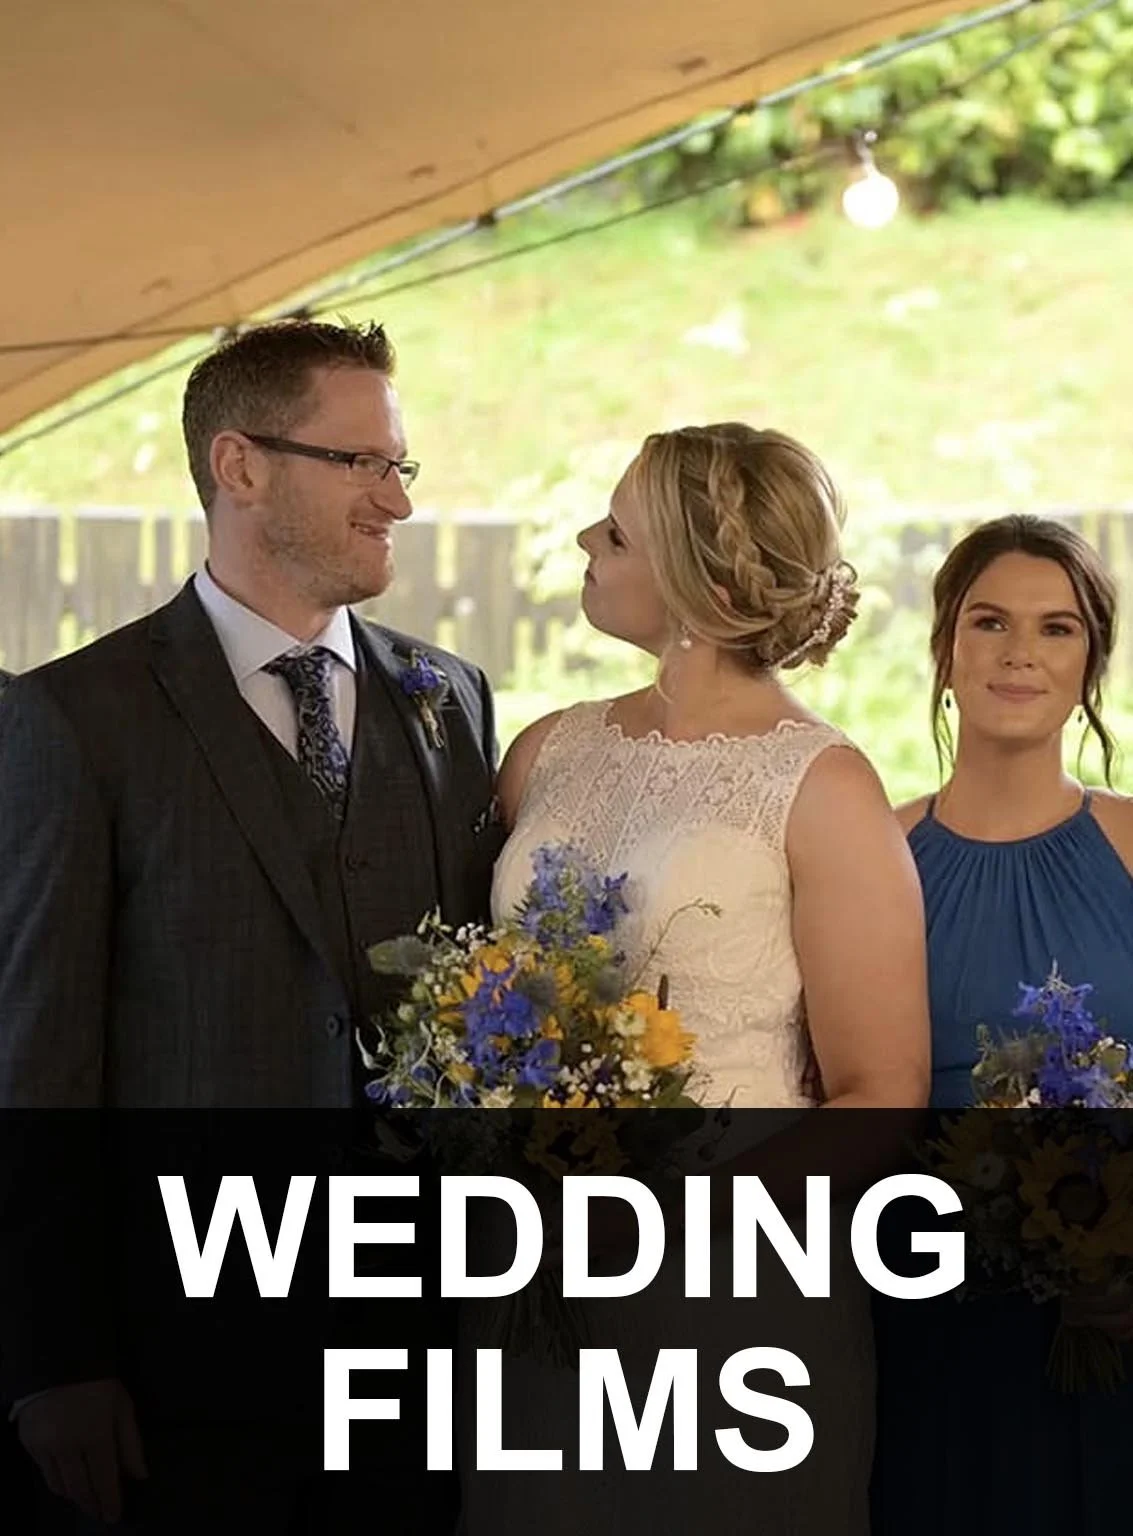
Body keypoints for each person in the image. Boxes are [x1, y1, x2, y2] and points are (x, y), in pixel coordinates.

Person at [0, 320, 501, 1531]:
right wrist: (53, 1359)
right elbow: (35, 1064)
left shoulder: (451, 699)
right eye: (362, 465)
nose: (395, 502)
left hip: (415, 1349)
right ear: (240, 466)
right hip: (182, 1362)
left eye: (402, 467)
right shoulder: (75, 719)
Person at [458, 423, 930, 1534]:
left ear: (687, 580)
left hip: (733, 1296)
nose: (585, 539)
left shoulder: (822, 786)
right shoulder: (545, 751)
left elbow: (881, 1091)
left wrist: (664, 1224)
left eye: (613, 531)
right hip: (536, 1276)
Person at [872, 514, 1133, 1534]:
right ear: (943, 650)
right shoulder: (876, 852)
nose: (1018, 651)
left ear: (1088, 663)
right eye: (987, 621)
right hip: (927, 1319)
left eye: (1054, 628)